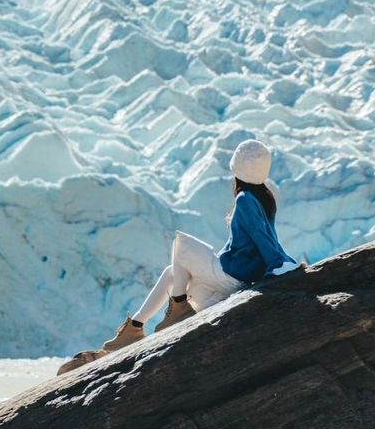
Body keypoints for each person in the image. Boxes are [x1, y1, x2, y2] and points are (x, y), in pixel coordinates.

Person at [103, 139, 300, 353]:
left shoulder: (245, 199)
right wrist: (283, 262)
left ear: (238, 167)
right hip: (233, 278)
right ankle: (135, 328)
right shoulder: (264, 197)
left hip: (228, 275)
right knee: (171, 273)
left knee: (182, 245)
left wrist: (278, 263)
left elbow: (262, 238)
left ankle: (178, 306)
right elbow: (266, 237)